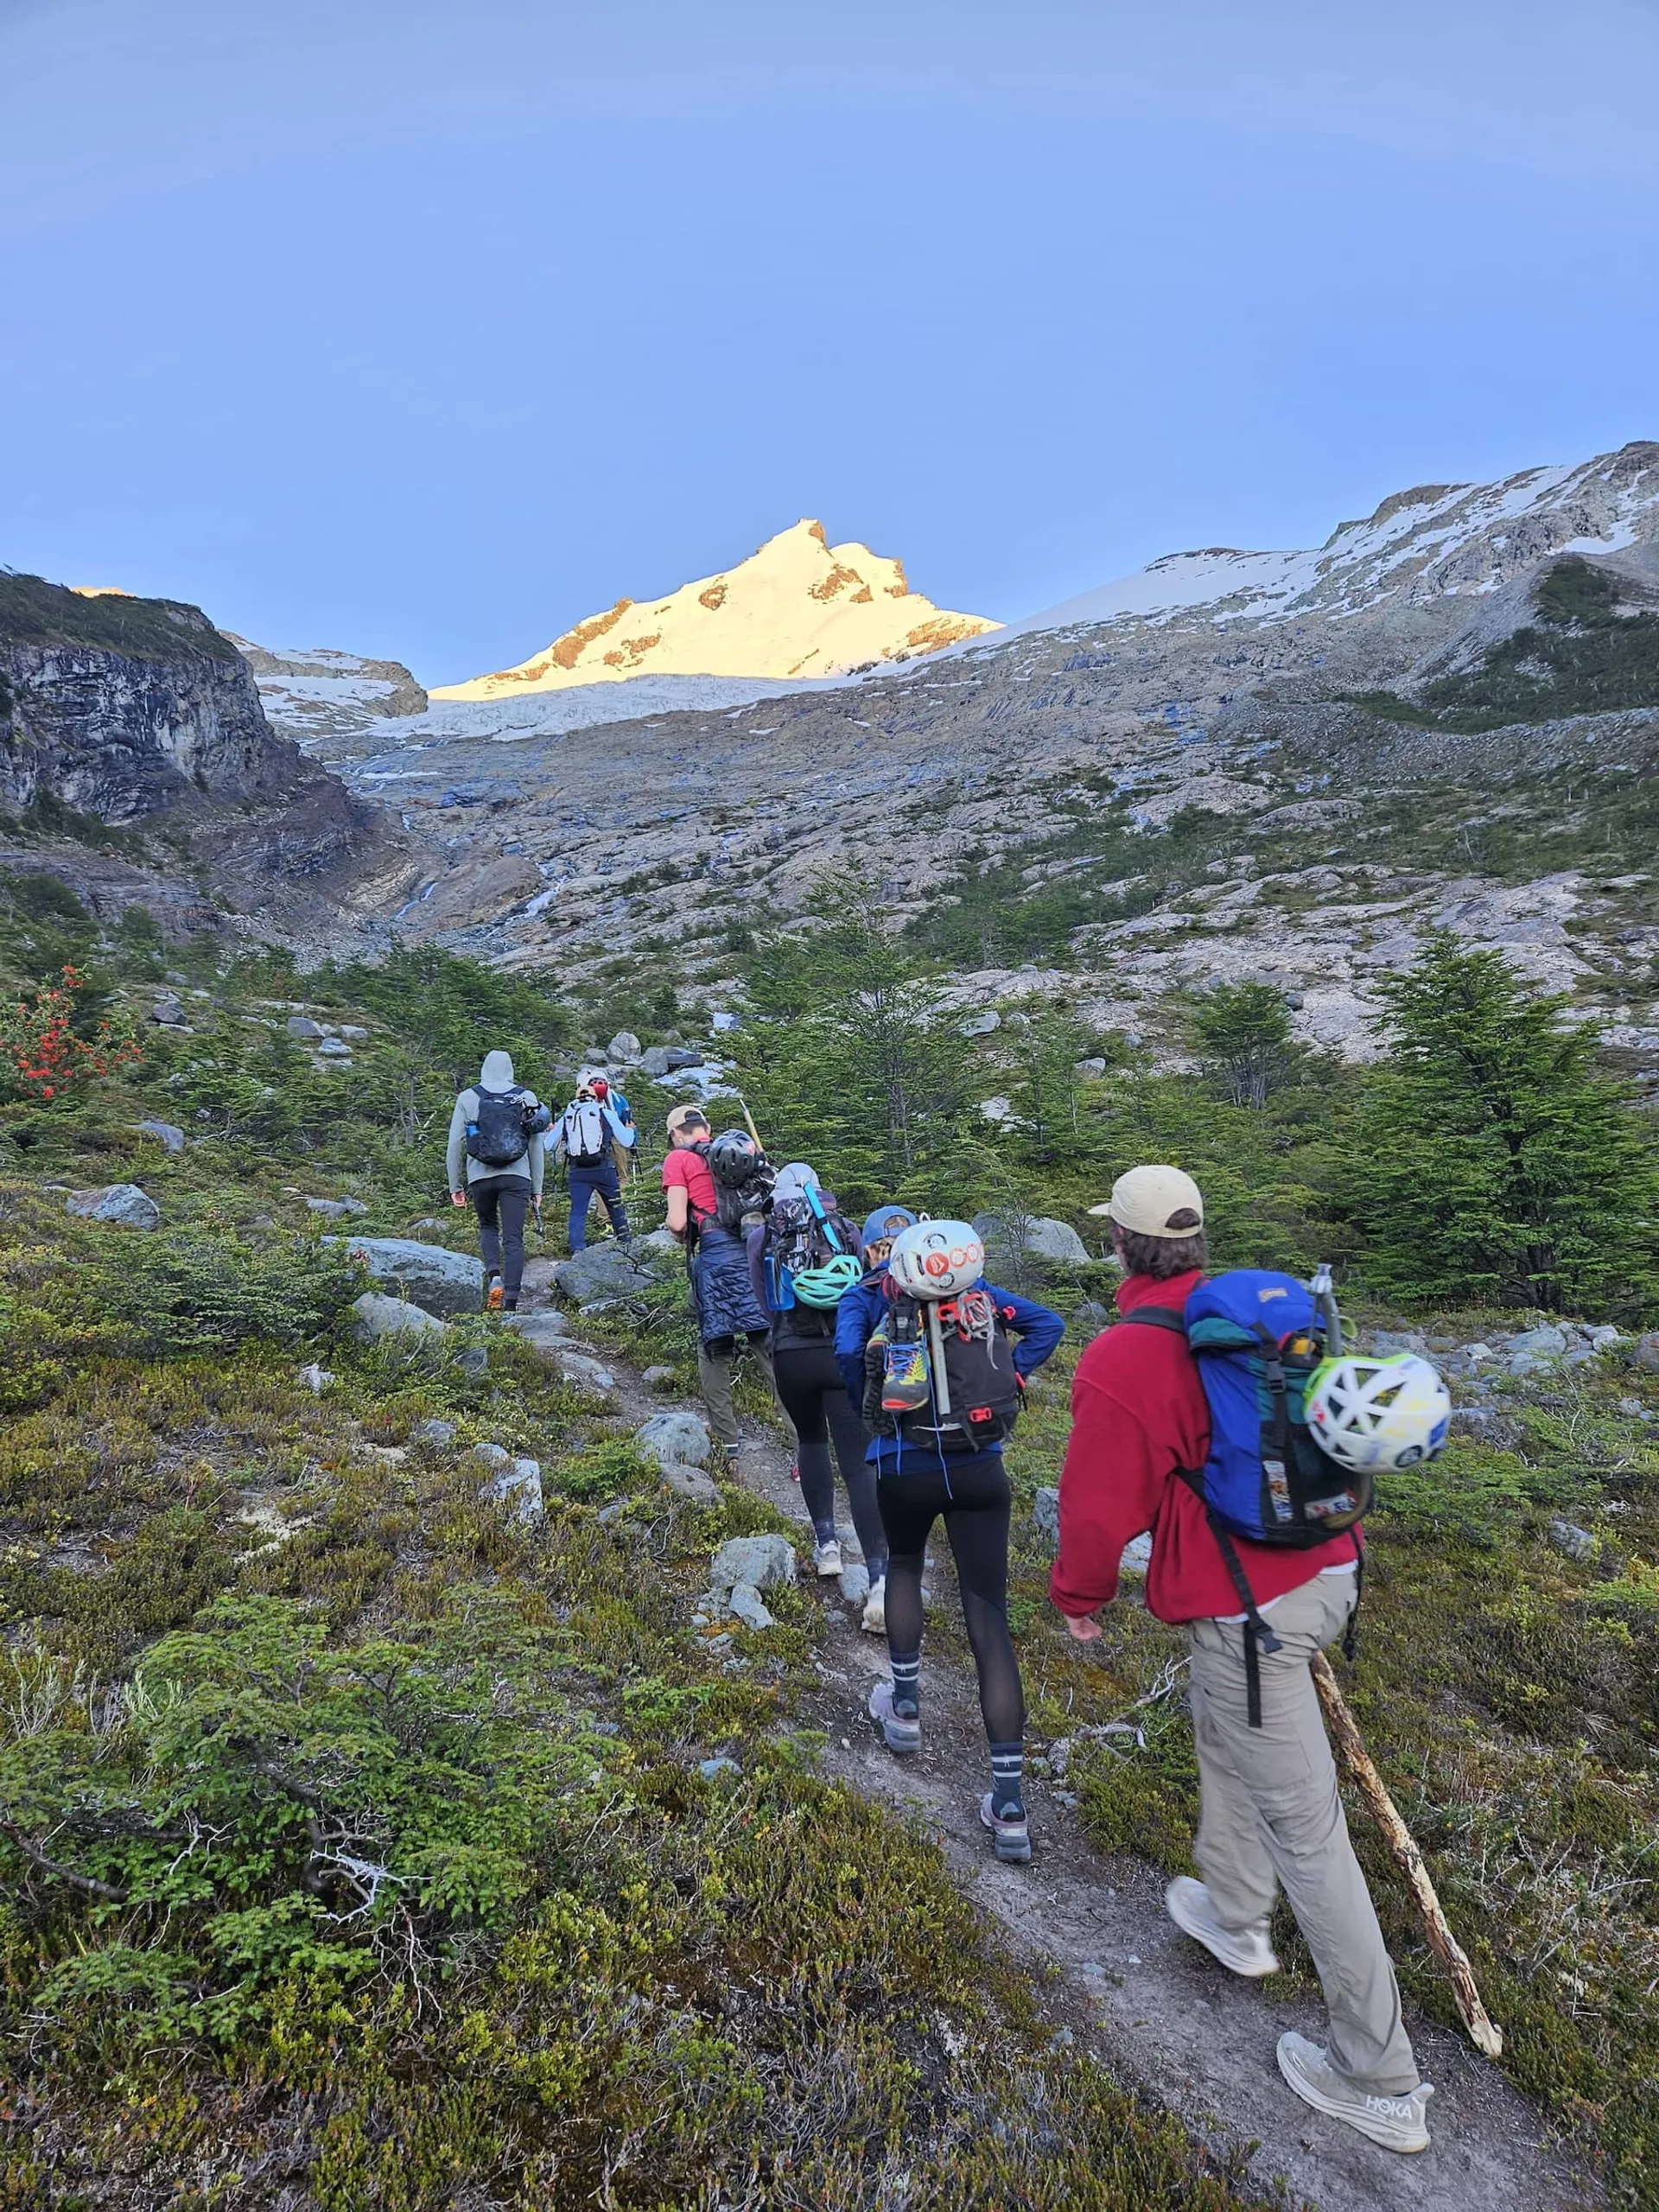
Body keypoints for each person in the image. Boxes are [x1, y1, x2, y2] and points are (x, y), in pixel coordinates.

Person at [1049, 1164, 1433, 2156]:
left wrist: (1079, 1599)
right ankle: (1232, 1909)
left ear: (1122, 1245)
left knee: (1311, 1834)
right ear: (1195, 1238)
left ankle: (1380, 2078)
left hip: (1245, 1607)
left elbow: (1097, 1509)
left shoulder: (1129, 1355)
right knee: (1228, 1730)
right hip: (1331, 1565)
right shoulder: (1271, 1315)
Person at [843, 1217, 1063, 1864]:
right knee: (989, 1619)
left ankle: (905, 1711)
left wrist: (874, 1408)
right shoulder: (983, 1295)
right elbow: (1049, 1325)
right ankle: (1011, 1804)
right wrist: (1011, 1377)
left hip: (905, 1464)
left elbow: (845, 1359)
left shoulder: (874, 1292)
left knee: (905, 1568)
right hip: (979, 1467)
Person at [747, 1164, 887, 1630]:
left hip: (792, 1356)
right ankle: (880, 1577)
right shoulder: (845, 1229)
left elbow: (762, 1302)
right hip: (842, 1352)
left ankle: (827, 1545)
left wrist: (779, 1341)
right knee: (857, 1462)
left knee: (810, 1442)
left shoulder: (763, 1235)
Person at [662, 1102, 775, 1473]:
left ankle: (730, 1448)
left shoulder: (679, 1159)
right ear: (705, 1128)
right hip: (755, 1258)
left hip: (716, 1265)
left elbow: (679, 1221)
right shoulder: (742, 1151)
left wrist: (675, 1228)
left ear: (677, 1133)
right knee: (769, 1350)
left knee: (714, 1352)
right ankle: (805, 1440)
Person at [446, 1050, 545, 1313]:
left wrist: (455, 1185)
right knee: (514, 1238)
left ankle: (494, 1277)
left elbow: (455, 1143)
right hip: (517, 1175)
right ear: (510, 1069)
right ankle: (510, 1303)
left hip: (480, 1176)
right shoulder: (526, 1097)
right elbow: (536, 1145)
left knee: (488, 1227)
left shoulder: (468, 1097)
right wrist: (537, 1188)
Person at [555, 1071, 637, 1251]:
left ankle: (577, 1249)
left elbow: (548, 1145)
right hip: (603, 1166)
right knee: (617, 1205)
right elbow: (627, 1140)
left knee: (578, 1211)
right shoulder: (607, 1109)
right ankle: (626, 1244)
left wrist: (558, 1131)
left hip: (577, 1170)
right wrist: (631, 1131)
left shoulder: (570, 1112)